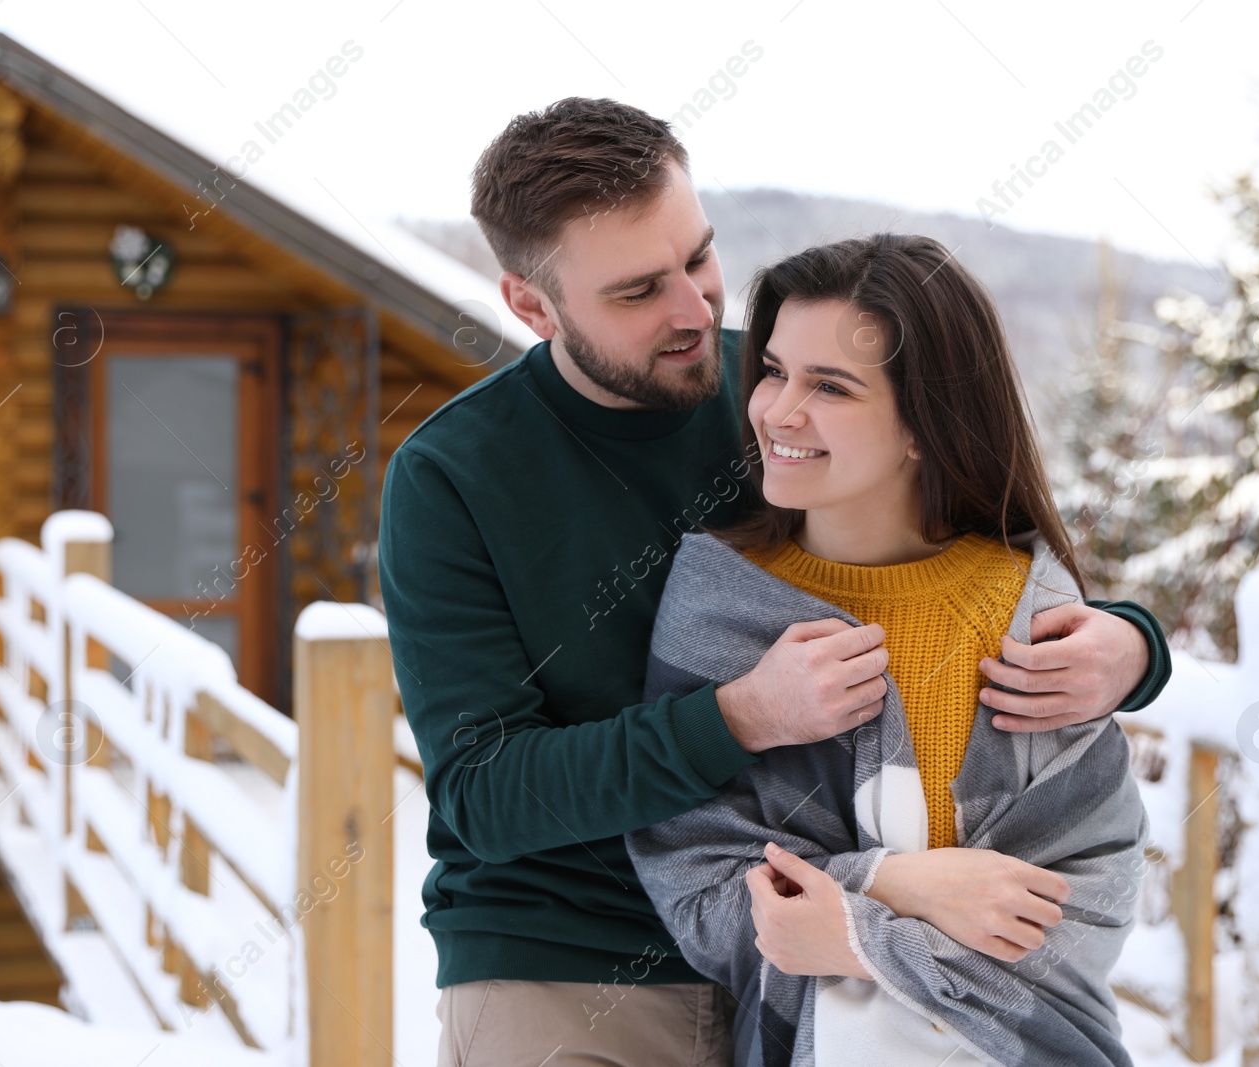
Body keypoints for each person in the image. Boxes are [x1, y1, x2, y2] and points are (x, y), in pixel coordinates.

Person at [375, 98, 1170, 1067]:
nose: (694, 310)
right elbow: (485, 791)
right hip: (571, 957)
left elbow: (964, 542)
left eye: (698, 258)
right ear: (532, 305)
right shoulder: (452, 476)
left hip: (821, 960)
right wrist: (741, 716)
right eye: (636, 291)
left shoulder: (779, 394)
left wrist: (1131, 643)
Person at [626, 233, 1151, 1066]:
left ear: (923, 427)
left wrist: (859, 935)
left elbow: (1092, 903)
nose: (778, 411)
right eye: (773, 370)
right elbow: (696, 881)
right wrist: (897, 887)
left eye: (829, 385)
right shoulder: (721, 602)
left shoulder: (1028, 610)